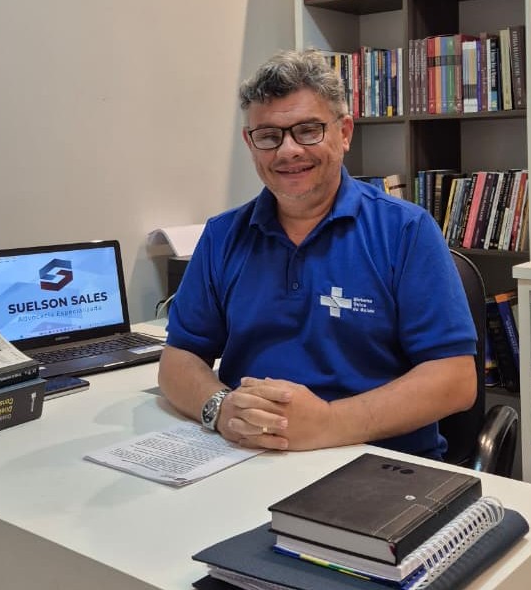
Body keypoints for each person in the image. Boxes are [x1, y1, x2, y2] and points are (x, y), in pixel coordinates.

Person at [158, 48, 477, 460]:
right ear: (250, 144)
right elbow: (178, 359)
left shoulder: (406, 231)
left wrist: (328, 422)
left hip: (378, 462)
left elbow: (455, 379)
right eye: (269, 136)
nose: (288, 151)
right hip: (249, 458)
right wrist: (220, 408)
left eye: (308, 130)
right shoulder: (222, 236)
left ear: (344, 133)